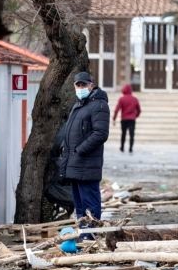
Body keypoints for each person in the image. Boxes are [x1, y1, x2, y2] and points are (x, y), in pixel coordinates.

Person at [58, 71, 110, 223]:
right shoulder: (79, 105)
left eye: (84, 84)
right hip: (75, 164)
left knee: (90, 203)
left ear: (91, 85)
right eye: (78, 85)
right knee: (80, 205)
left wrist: (80, 150)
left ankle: (91, 234)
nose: (80, 87)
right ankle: (84, 234)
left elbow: (100, 134)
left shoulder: (99, 105)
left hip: (87, 164)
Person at [112, 84, 141, 153]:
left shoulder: (122, 99)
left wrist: (114, 118)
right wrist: (135, 116)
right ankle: (130, 148)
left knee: (123, 133)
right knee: (132, 134)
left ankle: (122, 147)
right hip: (132, 119)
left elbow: (117, 109)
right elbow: (139, 110)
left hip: (124, 119)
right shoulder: (135, 99)